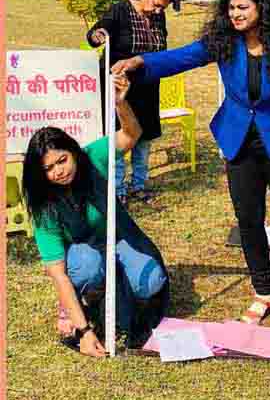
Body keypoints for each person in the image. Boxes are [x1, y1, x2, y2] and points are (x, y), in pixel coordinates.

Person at [112, 0, 270, 328]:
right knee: (248, 220)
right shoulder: (223, 41)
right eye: (230, 8)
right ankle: (264, 292)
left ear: (262, 7)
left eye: (243, 7)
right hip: (239, 140)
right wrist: (139, 63)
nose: (235, 14)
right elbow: (181, 58)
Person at [23, 73, 169, 356]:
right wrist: (85, 332)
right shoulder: (44, 208)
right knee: (88, 267)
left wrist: (119, 104)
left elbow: (131, 135)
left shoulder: (94, 158)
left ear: (74, 152)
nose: (59, 171)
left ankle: (118, 283)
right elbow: (58, 274)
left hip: (117, 238)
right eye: (49, 169)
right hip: (82, 253)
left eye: (62, 160)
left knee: (150, 282)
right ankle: (83, 300)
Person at [86, 0, 173, 205]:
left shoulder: (158, 16)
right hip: (121, 89)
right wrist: (98, 35)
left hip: (148, 86)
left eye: (162, 8)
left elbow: (161, 46)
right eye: (156, 4)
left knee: (144, 137)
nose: (158, 10)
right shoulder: (120, 11)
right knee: (120, 135)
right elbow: (98, 31)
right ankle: (117, 188)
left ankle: (139, 185)